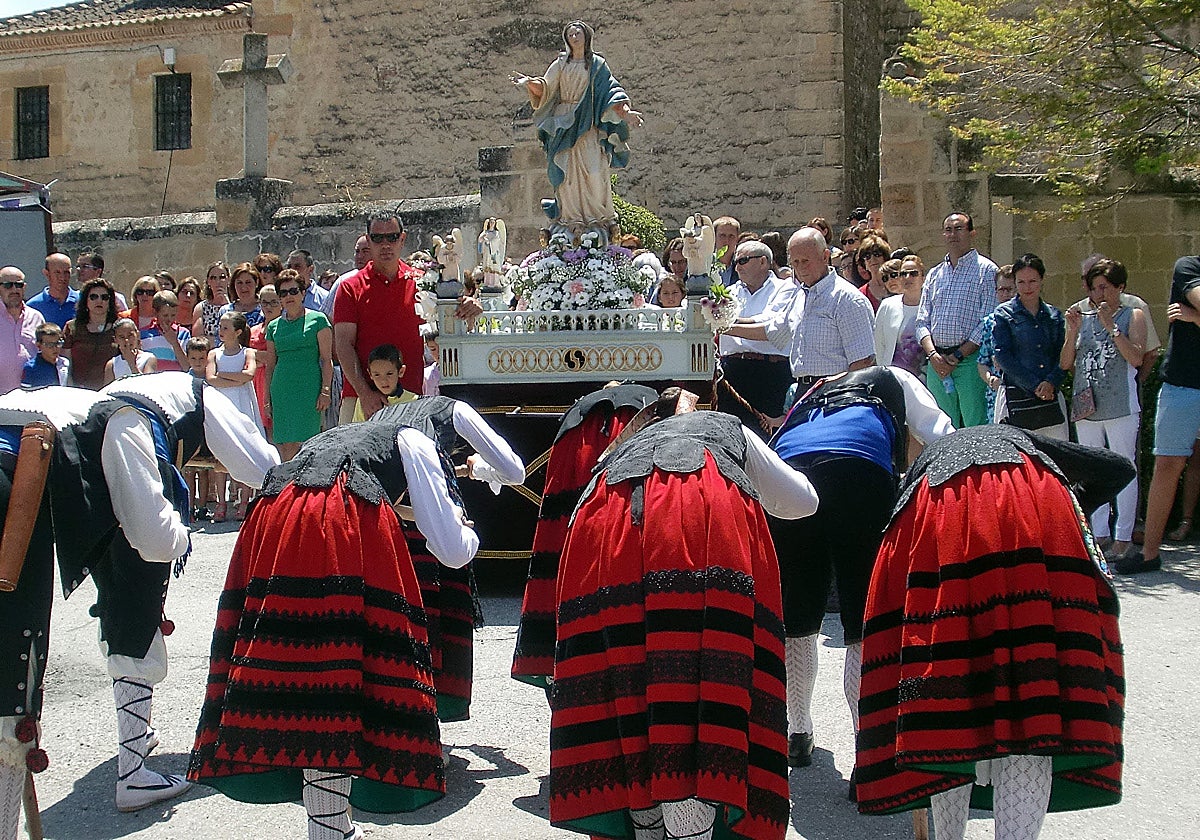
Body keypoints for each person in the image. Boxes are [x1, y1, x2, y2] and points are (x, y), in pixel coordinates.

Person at [188, 406, 483, 840]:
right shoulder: (417, 442)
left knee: (306, 676)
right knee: (337, 678)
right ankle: (327, 830)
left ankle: (329, 826)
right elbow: (453, 550)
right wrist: (467, 528)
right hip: (342, 525)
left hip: (274, 519)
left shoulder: (333, 438)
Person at [0, 375, 276, 817]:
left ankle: (135, 737)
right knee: (22, 675)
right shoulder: (129, 421)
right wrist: (182, 535)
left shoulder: (105, 403)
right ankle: (132, 773)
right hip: (12, 483)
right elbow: (156, 537)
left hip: (22, 464)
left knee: (119, 610)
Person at [549, 392, 819, 840]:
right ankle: (687, 828)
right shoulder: (728, 429)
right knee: (694, 692)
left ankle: (648, 821)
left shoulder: (623, 444)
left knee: (627, 688)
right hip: (694, 524)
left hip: (601, 531)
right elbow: (803, 501)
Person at [855, 425, 1131, 840]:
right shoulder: (1031, 448)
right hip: (1038, 502)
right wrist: (1054, 513)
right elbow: (1118, 469)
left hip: (938, 512)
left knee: (946, 711)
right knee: (1032, 703)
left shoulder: (913, 476)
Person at [768, 366, 952, 772]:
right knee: (862, 617)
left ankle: (797, 733)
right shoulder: (895, 377)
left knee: (798, 613)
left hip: (792, 470)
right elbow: (942, 436)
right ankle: (867, 749)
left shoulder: (809, 389)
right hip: (859, 470)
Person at [367, 393, 526, 722]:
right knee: (431, 629)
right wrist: (482, 468)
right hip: (424, 533)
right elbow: (513, 471)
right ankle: (427, 732)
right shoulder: (455, 410)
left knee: (388, 628)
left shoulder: (378, 419)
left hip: (381, 531)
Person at [511, 382, 657, 690]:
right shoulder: (646, 400)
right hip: (633, 434)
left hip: (574, 445)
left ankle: (559, 661)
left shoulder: (580, 410)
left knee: (564, 540)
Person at [333, 210, 481, 423]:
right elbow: (343, 345)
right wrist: (365, 393)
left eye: (392, 237)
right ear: (368, 240)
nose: (386, 244)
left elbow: (451, 319)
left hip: (411, 399)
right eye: (378, 238)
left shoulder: (422, 283)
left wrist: (469, 306)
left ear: (402, 239)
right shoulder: (349, 288)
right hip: (361, 400)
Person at [512, 20, 643, 240]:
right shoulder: (561, 64)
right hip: (564, 125)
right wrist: (528, 83)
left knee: (594, 171)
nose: (574, 37)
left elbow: (612, 92)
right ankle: (572, 221)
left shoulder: (597, 65)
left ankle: (599, 220)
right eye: (571, 34)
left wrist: (626, 113)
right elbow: (545, 88)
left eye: (578, 33)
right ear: (566, 39)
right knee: (568, 176)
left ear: (586, 36)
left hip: (588, 125)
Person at [1060, 259, 1147, 560]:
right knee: (1089, 470)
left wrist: (1111, 326)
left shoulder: (1133, 315)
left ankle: (1123, 534)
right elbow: (1065, 364)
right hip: (1087, 406)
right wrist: (1072, 332)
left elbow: (1136, 358)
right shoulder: (1081, 316)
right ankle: (1097, 534)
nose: (1098, 295)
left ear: (1119, 288)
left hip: (1120, 405)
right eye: (1095, 289)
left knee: (1124, 468)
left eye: (1105, 288)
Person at [1120, 254, 1200, 573]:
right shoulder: (1188, 267)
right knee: (1167, 464)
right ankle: (1149, 553)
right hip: (1182, 384)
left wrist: (1193, 318)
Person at [724, 227, 876, 394]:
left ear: (825, 257)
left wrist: (846, 399)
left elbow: (862, 362)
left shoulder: (847, 299)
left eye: (805, 261)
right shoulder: (800, 296)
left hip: (837, 392)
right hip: (803, 391)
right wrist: (722, 326)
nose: (801, 268)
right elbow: (774, 331)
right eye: (795, 262)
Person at [916, 212, 998, 427]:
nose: (953, 234)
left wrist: (959, 354)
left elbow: (987, 321)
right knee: (941, 428)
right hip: (937, 362)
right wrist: (933, 355)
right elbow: (922, 321)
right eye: (949, 230)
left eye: (959, 229)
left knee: (975, 425)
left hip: (969, 362)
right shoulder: (935, 274)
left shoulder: (987, 271)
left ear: (972, 233)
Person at [717, 240, 797, 438]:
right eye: (736, 262)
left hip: (770, 373)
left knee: (769, 438)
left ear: (763, 262)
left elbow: (771, 323)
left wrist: (727, 324)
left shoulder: (785, 289)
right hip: (733, 371)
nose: (737, 267)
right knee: (731, 436)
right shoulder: (730, 292)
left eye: (743, 260)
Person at [992, 253, 1068, 439]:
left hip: (1050, 399)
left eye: (1032, 281)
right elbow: (1003, 356)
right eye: (1021, 282)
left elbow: (1062, 354)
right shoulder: (1004, 314)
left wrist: (1051, 382)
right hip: (1016, 398)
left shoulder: (1054, 316)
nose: (1027, 287)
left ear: (1041, 280)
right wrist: (1035, 385)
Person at [264, 270, 333, 460]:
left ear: (303, 293)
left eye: (293, 291)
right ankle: (289, 487)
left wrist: (325, 391)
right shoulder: (273, 326)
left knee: (310, 442)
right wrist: (266, 400)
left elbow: (327, 359)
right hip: (282, 389)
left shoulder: (318, 320)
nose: (289, 296)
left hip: (309, 387)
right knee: (286, 444)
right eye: (283, 293)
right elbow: (270, 366)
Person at [207, 311, 262, 520]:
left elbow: (249, 375)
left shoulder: (247, 352)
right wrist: (235, 379)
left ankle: (244, 500)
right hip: (221, 403)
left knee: (244, 448)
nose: (221, 331)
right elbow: (211, 378)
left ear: (238, 332)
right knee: (221, 452)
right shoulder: (214, 354)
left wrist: (225, 375)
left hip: (242, 403)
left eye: (226, 328)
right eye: (220, 327)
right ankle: (221, 502)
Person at [873, 255, 927, 378]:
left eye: (913, 273)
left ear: (923, 278)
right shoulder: (888, 305)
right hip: (893, 377)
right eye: (903, 274)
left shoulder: (932, 307)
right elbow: (879, 344)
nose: (908, 277)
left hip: (926, 378)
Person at [975, 265, 1017, 422]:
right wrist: (990, 379)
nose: (1005, 295)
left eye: (1010, 289)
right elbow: (982, 362)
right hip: (997, 396)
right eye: (1001, 290)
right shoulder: (989, 322)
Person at [63, 277, 119, 389]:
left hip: (110, 392)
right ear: (86, 301)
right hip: (78, 391)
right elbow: (65, 364)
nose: (99, 301)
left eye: (104, 297)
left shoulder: (118, 328)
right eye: (93, 297)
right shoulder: (72, 327)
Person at [0, 268, 43, 395]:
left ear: (24, 287)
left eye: (18, 285)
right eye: (8, 285)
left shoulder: (36, 317)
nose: (14, 290)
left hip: (32, 396)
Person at [139, 290, 191, 372]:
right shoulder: (143, 335)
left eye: (173, 315)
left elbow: (187, 367)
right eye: (165, 315)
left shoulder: (183, 333)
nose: (169, 319)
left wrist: (174, 342)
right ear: (155, 313)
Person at [25, 253, 77, 328]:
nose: (62, 277)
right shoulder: (33, 306)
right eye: (57, 272)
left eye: (66, 272)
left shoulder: (83, 301)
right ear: (46, 273)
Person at [104, 318, 157, 383]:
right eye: (121, 337)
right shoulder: (112, 364)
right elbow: (107, 390)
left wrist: (132, 363)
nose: (127, 340)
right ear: (116, 340)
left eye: (130, 335)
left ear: (137, 335)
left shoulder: (149, 358)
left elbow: (146, 385)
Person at [21, 323, 70, 387]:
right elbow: (25, 393)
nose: (55, 348)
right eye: (49, 345)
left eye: (58, 343)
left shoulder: (65, 363)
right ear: (38, 345)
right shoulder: (31, 368)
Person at [854, 234, 893, 312]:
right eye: (867, 256)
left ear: (885, 257)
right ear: (864, 263)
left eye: (877, 254)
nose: (872, 259)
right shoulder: (861, 294)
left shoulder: (897, 284)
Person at [193, 261, 230, 340]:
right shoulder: (201, 308)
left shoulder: (236, 305)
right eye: (213, 278)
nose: (218, 282)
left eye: (222, 277)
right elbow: (198, 338)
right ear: (208, 281)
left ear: (228, 280)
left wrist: (227, 306)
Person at [219, 263, 263, 329]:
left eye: (248, 282)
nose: (244, 287)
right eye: (239, 283)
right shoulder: (225, 311)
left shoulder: (264, 310)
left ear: (256, 282)